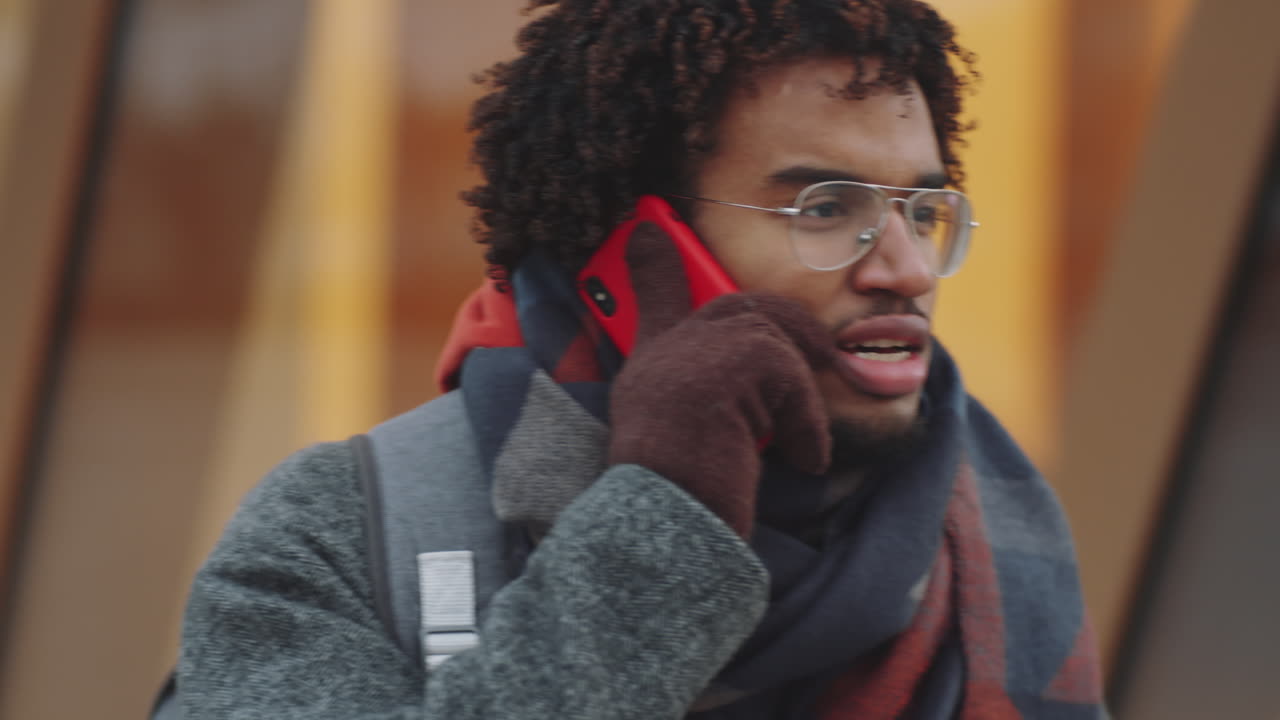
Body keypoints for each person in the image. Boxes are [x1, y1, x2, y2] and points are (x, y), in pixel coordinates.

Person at [174, 1, 1106, 717]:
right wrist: (663, 524)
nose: (905, 268)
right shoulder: (343, 534)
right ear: (637, 251)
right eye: (826, 209)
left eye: (921, 210)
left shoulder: (1000, 532)